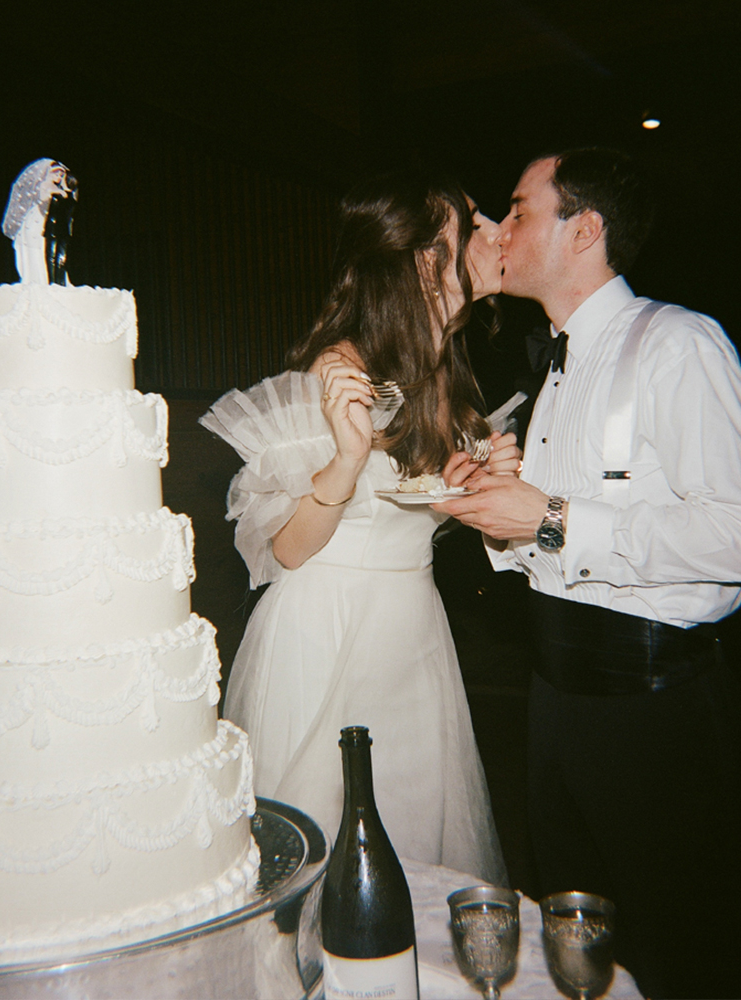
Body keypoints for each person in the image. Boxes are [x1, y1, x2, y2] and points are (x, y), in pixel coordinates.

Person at [439, 148, 741, 999]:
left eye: (519, 209)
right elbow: (555, 540)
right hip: (556, 698)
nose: (501, 231)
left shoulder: (677, 343)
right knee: (579, 947)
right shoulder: (558, 367)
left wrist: (551, 516)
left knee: (678, 947)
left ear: (586, 229)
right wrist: (501, 511)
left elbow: (734, 533)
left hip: (654, 708)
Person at [201, 172, 522, 883]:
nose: (500, 231)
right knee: (330, 853)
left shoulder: (441, 369)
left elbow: (408, 511)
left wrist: (470, 493)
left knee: (415, 835)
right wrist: (346, 462)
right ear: (424, 260)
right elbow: (284, 547)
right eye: (477, 222)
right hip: (329, 633)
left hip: (412, 630)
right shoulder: (341, 368)